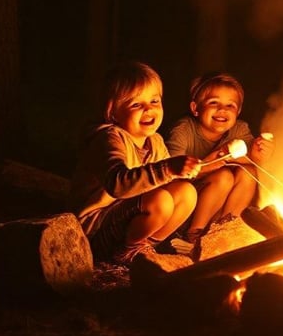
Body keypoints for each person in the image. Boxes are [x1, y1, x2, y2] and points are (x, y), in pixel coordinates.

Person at [70, 61, 202, 266]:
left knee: (186, 192)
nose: (149, 109)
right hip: (96, 229)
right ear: (113, 112)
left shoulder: (155, 141)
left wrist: (184, 170)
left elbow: (167, 182)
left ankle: (143, 247)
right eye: (136, 105)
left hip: (127, 222)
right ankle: (124, 252)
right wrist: (168, 169)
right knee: (161, 201)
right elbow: (117, 184)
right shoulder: (109, 139)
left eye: (154, 101)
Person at [166, 71, 275, 243]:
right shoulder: (183, 131)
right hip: (185, 211)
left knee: (249, 172)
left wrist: (257, 155)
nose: (222, 110)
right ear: (195, 108)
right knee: (224, 177)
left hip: (219, 211)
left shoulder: (239, 129)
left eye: (230, 106)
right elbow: (169, 176)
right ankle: (193, 236)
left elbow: (251, 161)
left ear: (238, 111)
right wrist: (217, 157)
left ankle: (224, 232)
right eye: (213, 102)